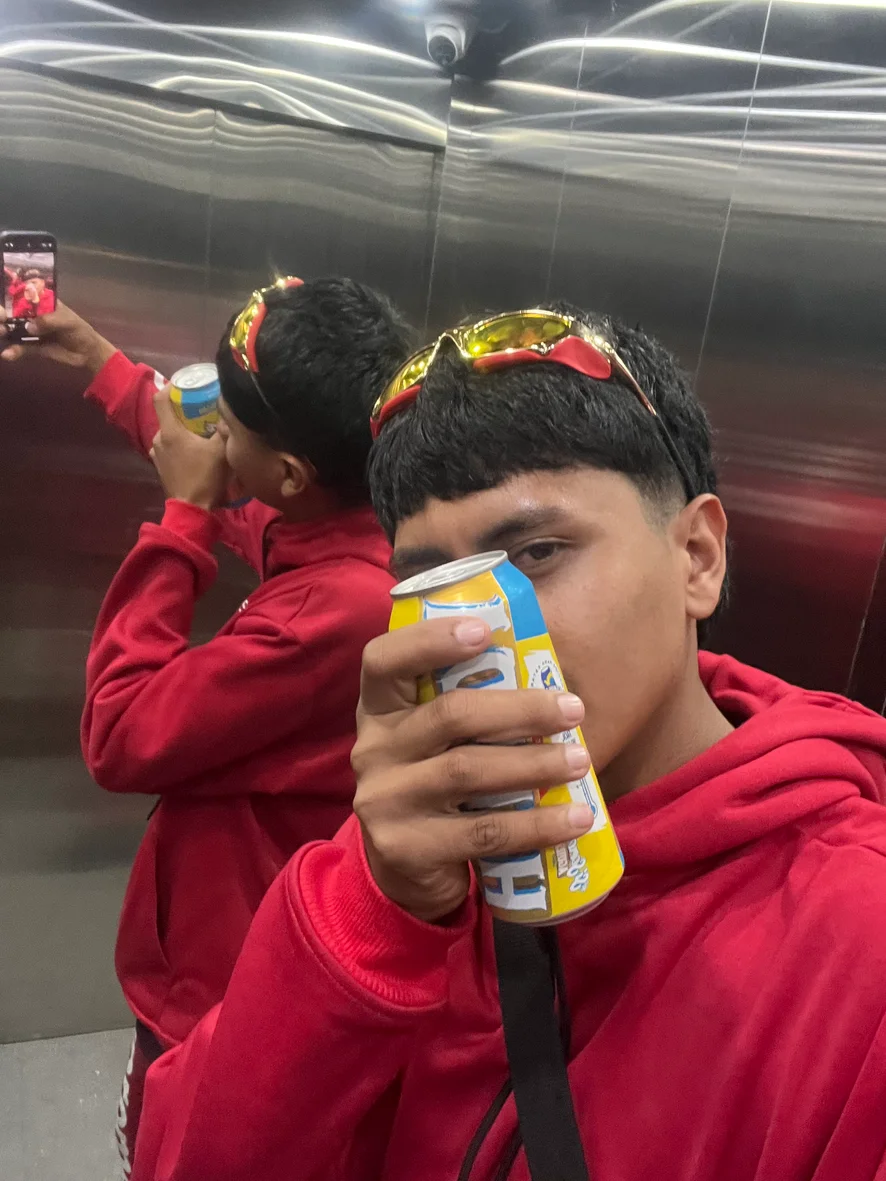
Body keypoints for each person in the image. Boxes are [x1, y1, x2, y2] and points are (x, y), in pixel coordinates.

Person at [130, 303, 886, 1181]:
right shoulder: (408, 860)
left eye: (536, 553)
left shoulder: (855, 945)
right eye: (430, 585)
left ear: (697, 557)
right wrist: (373, 914)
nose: (478, 636)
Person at [0, 278, 414, 1175]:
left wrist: (183, 520)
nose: (210, 439)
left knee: (171, 1147)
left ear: (289, 473)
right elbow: (244, 498)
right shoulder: (353, 524)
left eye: (226, 429)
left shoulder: (333, 613)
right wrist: (95, 357)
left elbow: (120, 734)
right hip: (229, 943)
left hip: (221, 983)